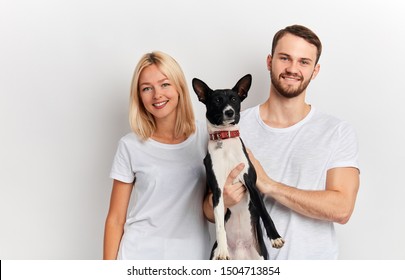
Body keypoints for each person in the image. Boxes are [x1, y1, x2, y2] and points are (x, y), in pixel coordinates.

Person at [203, 25, 360, 259]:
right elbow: (207, 209)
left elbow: (342, 209)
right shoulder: (230, 127)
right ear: (269, 61)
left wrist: (267, 184)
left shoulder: (336, 131)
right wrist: (223, 199)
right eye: (284, 58)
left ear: (315, 70)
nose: (292, 68)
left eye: (304, 62)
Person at [104, 51, 211, 260]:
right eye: (146, 88)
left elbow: (211, 209)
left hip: (193, 256)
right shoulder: (130, 146)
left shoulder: (206, 137)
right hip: (139, 255)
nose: (157, 95)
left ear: (179, 87)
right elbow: (115, 219)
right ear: (139, 96)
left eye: (164, 84)